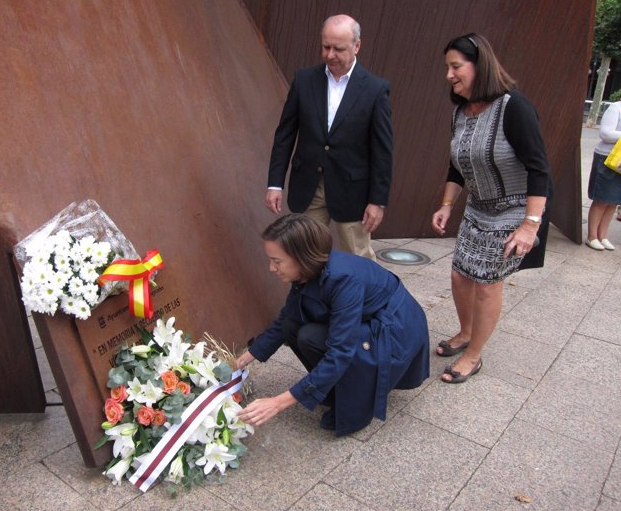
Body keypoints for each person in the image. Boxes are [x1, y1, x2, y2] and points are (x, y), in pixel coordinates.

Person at [236, 214, 429, 435]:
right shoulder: (309, 270)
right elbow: (284, 320)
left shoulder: (343, 279)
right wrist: (240, 361)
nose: (271, 268)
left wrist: (278, 402)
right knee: (292, 326)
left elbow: (340, 351)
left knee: (310, 336)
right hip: (367, 318)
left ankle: (355, 395)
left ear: (302, 257)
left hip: (396, 329)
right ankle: (330, 387)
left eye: (277, 261)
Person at [431, 33, 552, 383]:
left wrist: (530, 226)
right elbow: (457, 165)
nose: (449, 75)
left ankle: (474, 354)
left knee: (486, 283)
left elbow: (538, 167)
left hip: (515, 208)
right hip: (478, 207)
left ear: (479, 65)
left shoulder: (513, 107)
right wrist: (447, 205)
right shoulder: (460, 112)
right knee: (459, 274)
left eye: (456, 66)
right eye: (447, 68)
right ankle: (466, 332)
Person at [265, 14, 393, 260]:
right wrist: (275, 183)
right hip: (308, 187)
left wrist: (378, 201)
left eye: (338, 49)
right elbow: (285, 134)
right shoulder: (304, 80)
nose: (330, 55)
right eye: (326, 47)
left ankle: (360, 300)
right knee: (305, 256)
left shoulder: (376, 90)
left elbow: (383, 151)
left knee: (357, 258)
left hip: (353, 191)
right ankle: (309, 299)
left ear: (357, 46)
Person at [586, 78, 621, 250]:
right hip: (608, 157)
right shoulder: (615, 108)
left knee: (614, 201)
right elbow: (605, 133)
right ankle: (592, 236)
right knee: (602, 198)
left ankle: (602, 235)